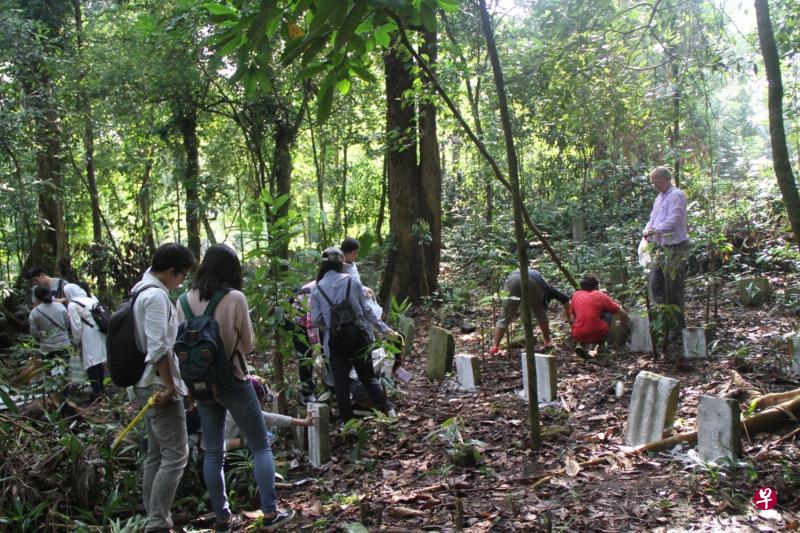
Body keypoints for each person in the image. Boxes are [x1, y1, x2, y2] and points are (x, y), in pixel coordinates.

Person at [176, 243, 295, 532]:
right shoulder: (235, 298)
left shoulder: (181, 301)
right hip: (234, 381)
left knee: (213, 452)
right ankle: (270, 512)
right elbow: (249, 344)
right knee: (260, 445)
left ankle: (222, 518)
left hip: (202, 386)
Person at [131, 243, 196, 533]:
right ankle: (157, 521)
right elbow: (159, 348)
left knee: (157, 454)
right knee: (176, 455)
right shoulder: (156, 296)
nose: (181, 281)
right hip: (158, 384)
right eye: (182, 276)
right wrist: (171, 387)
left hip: (144, 382)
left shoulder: (140, 289)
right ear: (171, 271)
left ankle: (153, 513)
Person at [311, 247, 398, 422]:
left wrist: (331, 325)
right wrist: (384, 329)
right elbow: (365, 311)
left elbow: (316, 320)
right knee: (367, 377)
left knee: (341, 383)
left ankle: (347, 422)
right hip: (357, 337)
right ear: (341, 263)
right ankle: (387, 411)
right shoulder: (352, 282)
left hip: (335, 341)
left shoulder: (317, 288)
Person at [642, 166, 689, 336]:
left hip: (676, 247)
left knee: (673, 287)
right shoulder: (659, 198)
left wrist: (654, 231)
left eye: (657, 180)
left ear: (667, 179)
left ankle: (677, 328)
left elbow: (673, 221)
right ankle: (664, 320)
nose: (655, 184)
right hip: (661, 248)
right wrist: (646, 230)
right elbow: (652, 220)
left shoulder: (676, 196)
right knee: (655, 284)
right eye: (652, 181)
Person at [491, 266, 571, 354]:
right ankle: (547, 342)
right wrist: (571, 321)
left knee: (505, 315)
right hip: (531, 281)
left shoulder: (539, 280)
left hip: (511, 279)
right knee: (541, 315)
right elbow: (565, 299)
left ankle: (495, 347)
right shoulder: (548, 289)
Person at [63, 284, 107, 399]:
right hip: (99, 332)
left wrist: (76, 342)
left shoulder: (73, 305)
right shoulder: (90, 299)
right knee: (98, 362)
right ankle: (101, 389)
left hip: (88, 335)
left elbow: (76, 326)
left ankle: (97, 392)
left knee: (91, 364)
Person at [569, 274, 628, 358]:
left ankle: (580, 344)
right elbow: (620, 312)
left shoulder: (575, 295)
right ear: (596, 286)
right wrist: (624, 321)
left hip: (578, 333)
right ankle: (601, 347)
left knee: (580, 314)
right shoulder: (600, 295)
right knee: (608, 312)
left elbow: (572, 319)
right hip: (598, 332)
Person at [28, 285, 71, 360]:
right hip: (64, 345)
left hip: (47, 348)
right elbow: (68, 324)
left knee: (50, 370)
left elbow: (34, 333)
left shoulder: (34, 313)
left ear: (36, 297)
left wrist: (43, 334)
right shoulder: (60, 306)